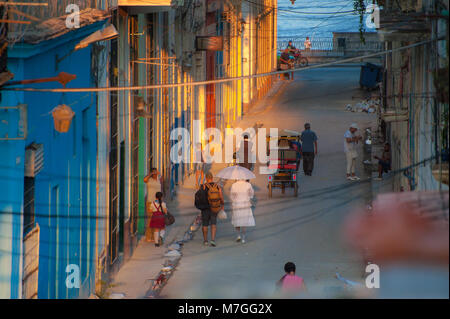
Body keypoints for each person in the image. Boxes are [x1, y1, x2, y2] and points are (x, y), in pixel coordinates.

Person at [198, 172, 224, 247]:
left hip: (205, 208)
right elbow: (221, 196)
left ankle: (205, 240)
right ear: (212, 178)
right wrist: (222, 204)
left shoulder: (202, 186)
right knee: (213, 223)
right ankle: (212, 240)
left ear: (206, 178)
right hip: (214, 207)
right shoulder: (217, 186)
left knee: (205, 224)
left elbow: (199, 197)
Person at [230, 179, 255, 244]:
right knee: (244, 221)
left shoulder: (234, 185)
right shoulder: (248, 184)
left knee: (237, 220)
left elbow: (232, 196)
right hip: (245, 204)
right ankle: (243, 238)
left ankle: (238, 235)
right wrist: (248, 196)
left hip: (237, 204)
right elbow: (251, 194)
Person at [144, 168, 163, 242]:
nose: (155, 174)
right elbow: (144, 180)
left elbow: (160, 190)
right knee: (150, 220)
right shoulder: (149, 180)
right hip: (150, 202)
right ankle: (148, 237)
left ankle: (153, 236)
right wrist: (151, 174)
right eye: (154, 173)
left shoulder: (158, 179)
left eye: (156, 172)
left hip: (157, 203)